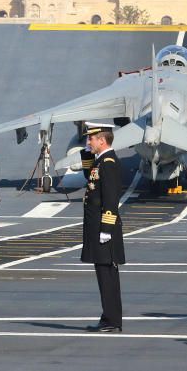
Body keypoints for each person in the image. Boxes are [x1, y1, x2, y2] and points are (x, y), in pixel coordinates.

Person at [80, 122, 125, 333]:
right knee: (103, 272)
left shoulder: (108, 163)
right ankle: (109, 316)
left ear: (102, 140)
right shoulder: (101, 161)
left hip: (104, 228)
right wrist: (87, 153)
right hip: (98, 227)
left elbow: (110, 198)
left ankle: (111, 318)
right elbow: (89, 179)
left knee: (107, 274)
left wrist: (106, 228)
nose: (89, 142)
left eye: (91, 139)